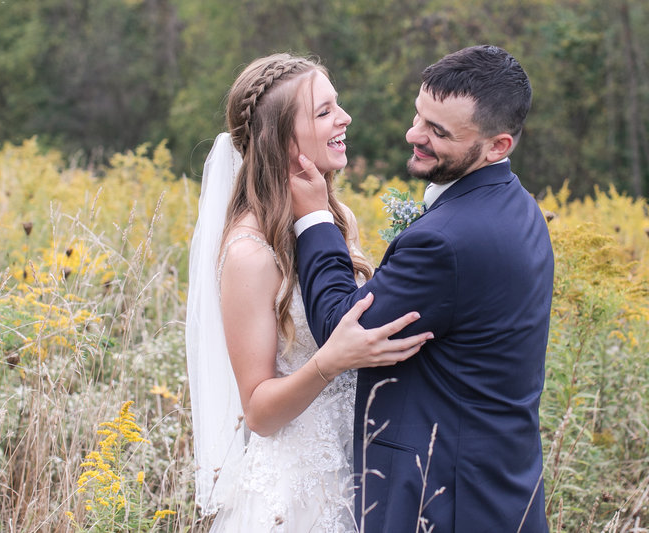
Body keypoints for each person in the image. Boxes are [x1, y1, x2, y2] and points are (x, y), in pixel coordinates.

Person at [290, 45, 554, 532]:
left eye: (439, 132)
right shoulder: (520, 208)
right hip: (500, 491)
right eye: (419, 116)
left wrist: (312, 217)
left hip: (444, 501)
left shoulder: (447, 241)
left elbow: (341, 329)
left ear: (498, 146)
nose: (414, 135)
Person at [186, 53, 434, 532]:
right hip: (296, 492)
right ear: (280, 139)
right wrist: (330, 361)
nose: (344, 119)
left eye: (336, 105)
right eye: (323, 112)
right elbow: (258, 411)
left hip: (360, 471)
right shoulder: (249, 253)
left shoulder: (336, 218)